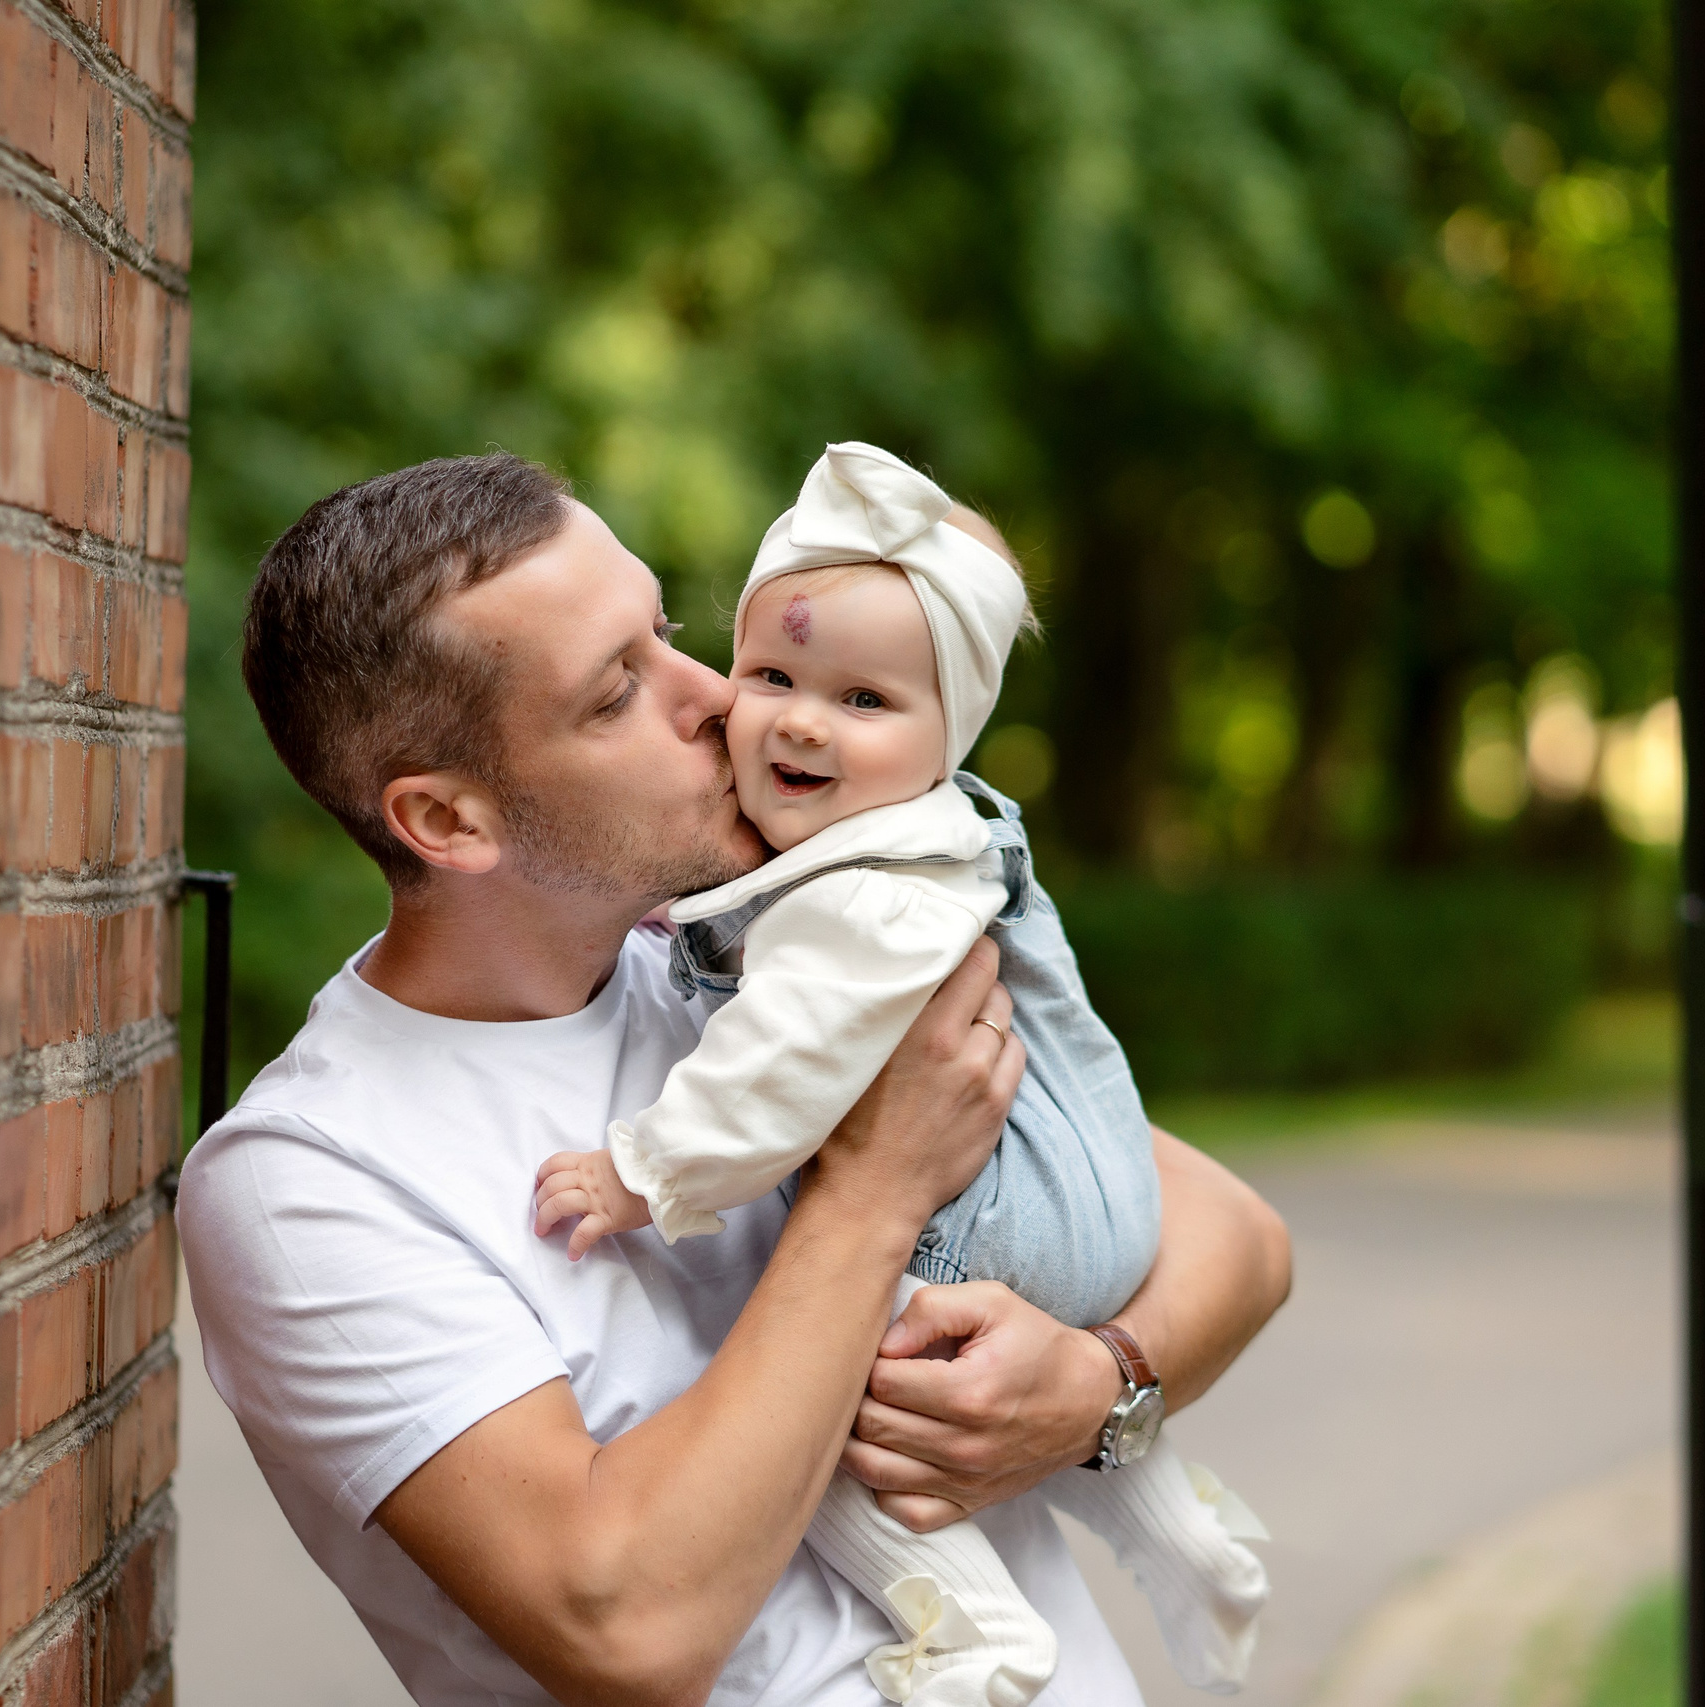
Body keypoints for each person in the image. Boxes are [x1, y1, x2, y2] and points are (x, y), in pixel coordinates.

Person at [179, 451, 1292, 1707]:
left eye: (666, 633)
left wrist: (1101, 1383)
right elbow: (627, 1631)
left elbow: (1233, 1236)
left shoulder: (748, 953)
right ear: (448, 822)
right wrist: (872, 1197)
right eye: (616, 693)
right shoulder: (310, 1176)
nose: (715, 693)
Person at [533, 443, 1267, 1707]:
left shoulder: (861, 892)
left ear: (951, 730)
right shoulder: (922, 833)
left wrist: (643, 1170)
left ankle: (976, 1628)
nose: (801, 719)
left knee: (795, 1423)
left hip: (982, 1226)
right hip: (1084, 1209)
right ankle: (1174, 1522)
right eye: (771, 673)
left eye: (865, 702)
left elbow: (789, 1050)